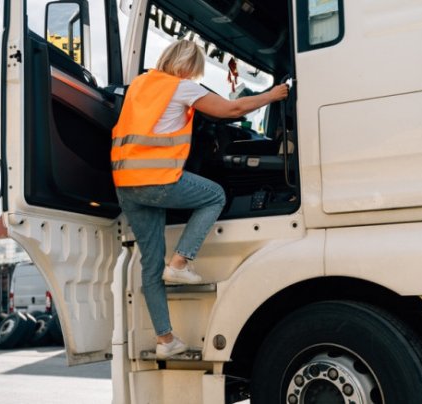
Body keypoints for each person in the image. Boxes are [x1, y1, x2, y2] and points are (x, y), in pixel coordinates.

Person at [111, 40, 289, 359]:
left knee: (151, 266)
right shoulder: (180, 87)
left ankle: (166, 341)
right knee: (214, 195)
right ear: (189, 66)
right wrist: (272, 95)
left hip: (126, 184)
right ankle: (181, 262)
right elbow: (230, 109)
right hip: (157, 180)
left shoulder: (140, 85)